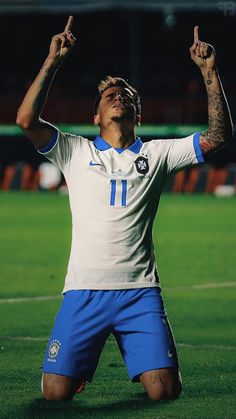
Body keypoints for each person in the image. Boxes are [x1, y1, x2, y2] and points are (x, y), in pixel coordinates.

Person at [16, 16, 233, 402]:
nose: (119, 97)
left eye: (127, 96)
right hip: (84, 292)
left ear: (138, 115)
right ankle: (75, 367)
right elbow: (26, 120)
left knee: (165, 392)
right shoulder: (73, 150)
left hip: (140, 293)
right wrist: (54, 61)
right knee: (54, 395)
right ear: (96, 117)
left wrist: (210, 72)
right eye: (110, 95)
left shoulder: (158, 153)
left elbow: (218, 136)